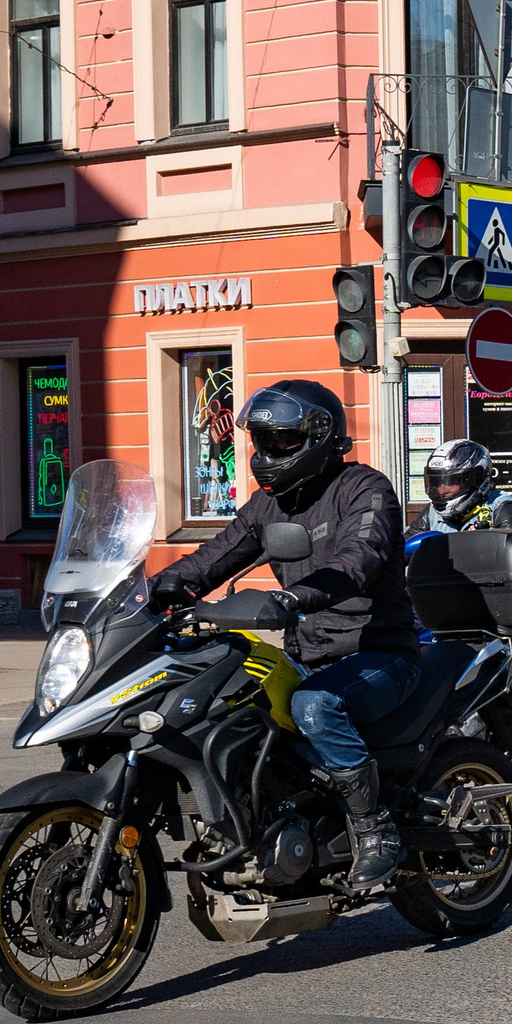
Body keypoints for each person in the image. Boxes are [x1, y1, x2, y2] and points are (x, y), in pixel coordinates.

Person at [151, 380, 421, 892]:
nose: (267, 454)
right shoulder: (266, 507)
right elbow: (213, 559)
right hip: (308, 655)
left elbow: (358, 558)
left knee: (315, 707)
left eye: (282, 442)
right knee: (227, 697)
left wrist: (297, 598)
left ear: (319, 438)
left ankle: (376, 831)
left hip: (379, 654)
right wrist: (152, 590)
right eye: (262, 442)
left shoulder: (365, 490)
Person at [421, 439, 512, 533]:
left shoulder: (504, 509)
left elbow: (511, 550)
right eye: (436, 482)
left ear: (475, 480)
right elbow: (408, 547)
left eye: (451, 481)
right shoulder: (432, 512)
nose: (441, 490)